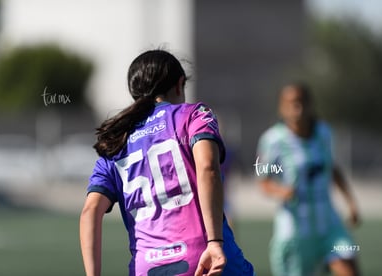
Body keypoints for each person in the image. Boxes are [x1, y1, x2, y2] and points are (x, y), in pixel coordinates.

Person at [80, 49, 255, 276]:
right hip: (201, 258)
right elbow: (208, 168)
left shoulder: (115, 142)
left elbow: (90, 211)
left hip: (147, 267)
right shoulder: (193, 114)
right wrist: (214, 242)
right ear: (179, 84)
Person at [255, 82, 361, 276]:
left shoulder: (324, 132)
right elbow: (263, 181)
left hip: (327, 222)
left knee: (348, 267)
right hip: (296, 229)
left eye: (302, 102)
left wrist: (351, 203)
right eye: (292, 103)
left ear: (311, 104)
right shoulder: (273, 140)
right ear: (282, 107)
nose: (298, 109)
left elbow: (332, 168)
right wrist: (282, 191)